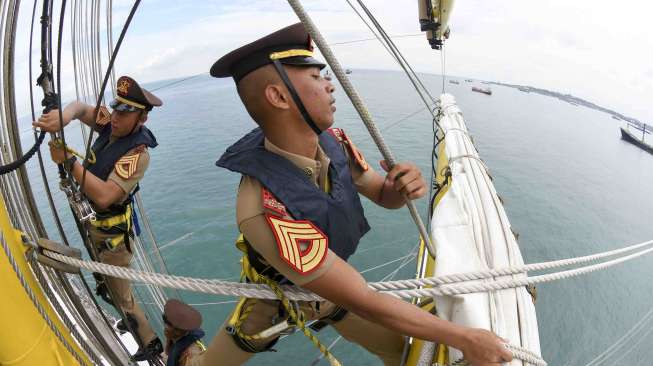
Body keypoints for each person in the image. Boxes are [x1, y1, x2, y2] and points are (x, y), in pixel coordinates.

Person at [197, 23, 511, 366]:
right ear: (279, 97)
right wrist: (465, 338)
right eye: (316, 78)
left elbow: (380, 192)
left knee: (403, 351)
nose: (331, 84)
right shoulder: (265, 207)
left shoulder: (334, 142)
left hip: (329, 293)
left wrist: (400, 189)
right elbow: (360, 297)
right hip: (277, 300)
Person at [33, 76, 164, 361]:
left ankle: (150, 341)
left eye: (124, 113)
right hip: (95, 228)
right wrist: (63, 117)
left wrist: (68, 162)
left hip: (112, 238)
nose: (115, 117)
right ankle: (130, 323)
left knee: (121, 294)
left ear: (141, 119)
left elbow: (105, 196)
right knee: (106, 286)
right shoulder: (110, 124)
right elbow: (80, 108)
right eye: (115, 109)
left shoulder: (137, 154)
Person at [162, 299, 206, 366]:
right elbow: (168, 352)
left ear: (177, 331)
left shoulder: (191, 356)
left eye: (168, 324)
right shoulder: (179, 338)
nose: (165, 327)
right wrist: (168, 338)